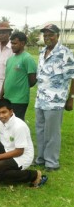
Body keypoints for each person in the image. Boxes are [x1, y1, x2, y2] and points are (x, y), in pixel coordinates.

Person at [0, 99, 48, 188]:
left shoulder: (19, 126)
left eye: (4, 112)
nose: (1, 116)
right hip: (6, 149)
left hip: (22, 156)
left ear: (11, 111)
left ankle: (34, 175)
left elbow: (19, 151)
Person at [34, 24, 74, 171]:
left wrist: (71, 98)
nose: (47, 37)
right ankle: (41, 158)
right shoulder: (42, 52)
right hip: (40, 99)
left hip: (55, 101)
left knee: (52, 133)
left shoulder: (65, 52)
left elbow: (72, 77)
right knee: (40, 130)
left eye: (51, 35)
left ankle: (52, 162)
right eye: (45, 35)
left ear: (57, 35)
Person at [1, 32, 37, 120]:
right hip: (7, 98)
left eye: (15, 43)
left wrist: (21, 87)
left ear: (23, 43)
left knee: (16, 125)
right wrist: (1, 95)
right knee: (6, 123)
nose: (12, 45)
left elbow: (32, 81)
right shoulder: (10, 59)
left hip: (19, 100)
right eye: (11, 43)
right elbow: (7, 78)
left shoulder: (27, 58)